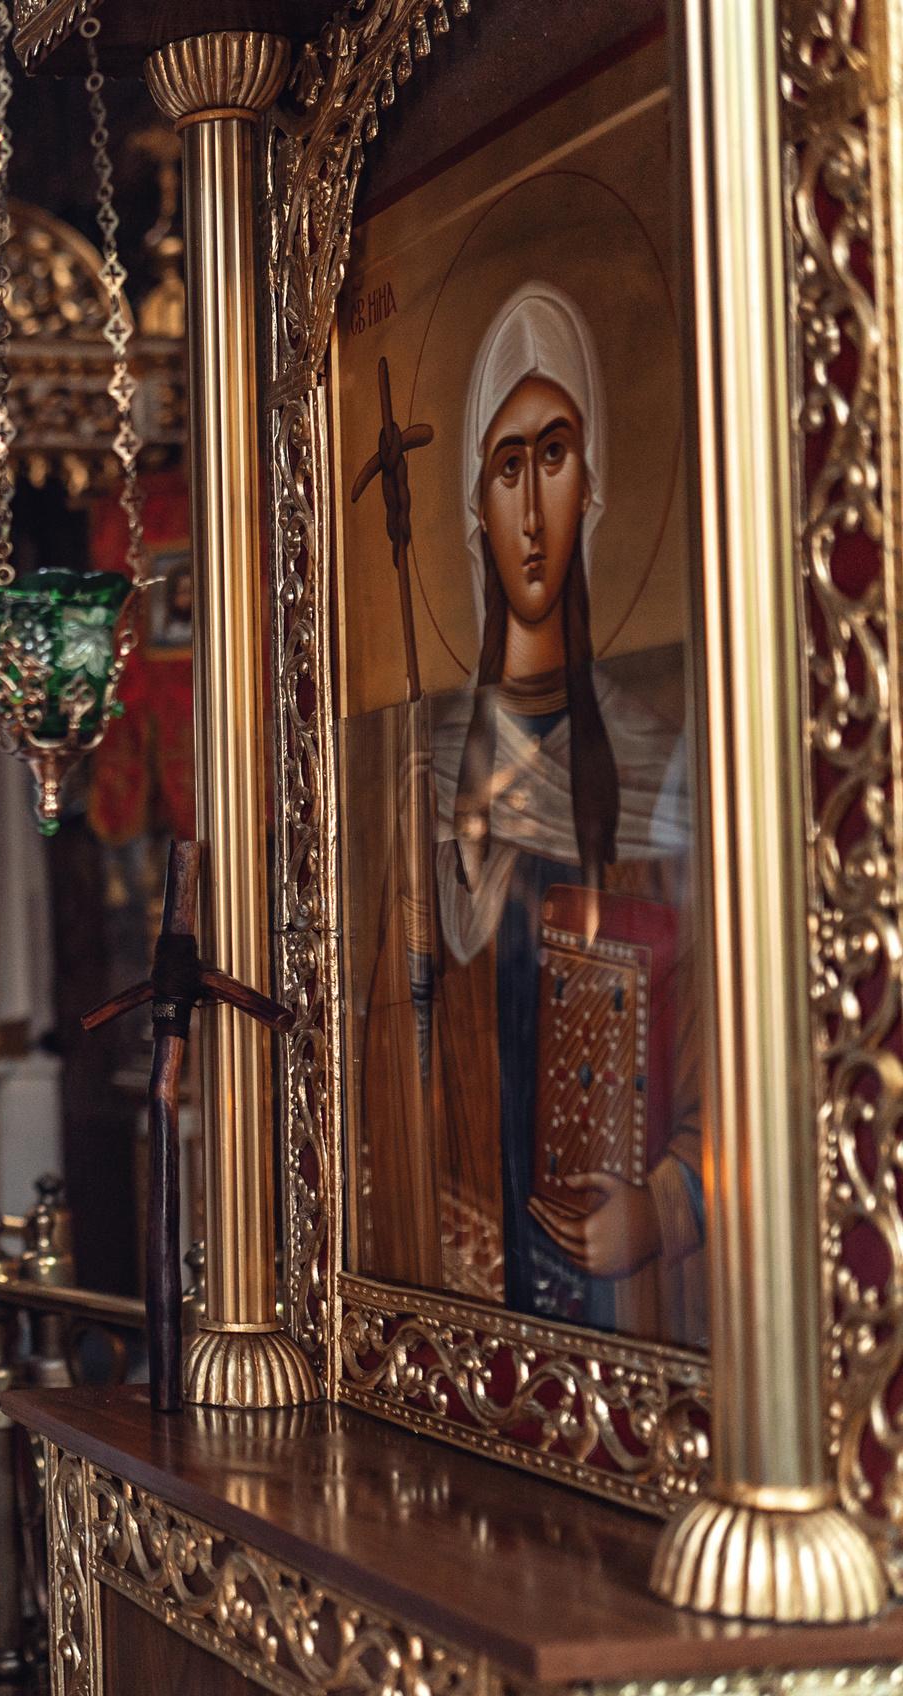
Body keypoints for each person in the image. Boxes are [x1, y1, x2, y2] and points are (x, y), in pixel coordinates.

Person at [424, 282, 705, 1342]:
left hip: (623, 1305)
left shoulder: (657, 765)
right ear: (475, 503)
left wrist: (666, 1204)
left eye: (555, 453)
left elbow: (730, 1043)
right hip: (462, 1282)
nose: (533, 511)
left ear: (594, 482)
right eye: (508, 468)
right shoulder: (426, 781)